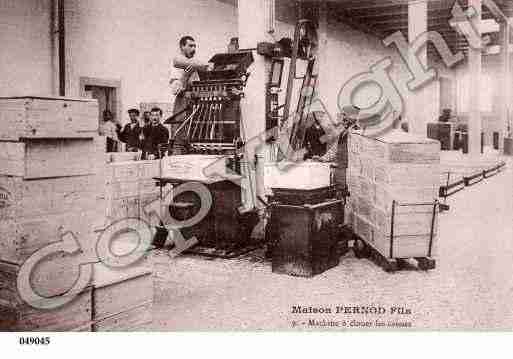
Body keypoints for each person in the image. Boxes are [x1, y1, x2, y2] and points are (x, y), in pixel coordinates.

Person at [168, 36, 211, 153]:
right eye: (190, 46)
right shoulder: (177, 64)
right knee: (180, 136)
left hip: (195, 103)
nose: (193, 48)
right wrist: (186, 75)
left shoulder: (193, 63)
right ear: (182, 47)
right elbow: (176, 89)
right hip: (183, 102)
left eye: (195, 46)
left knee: (195, 136)